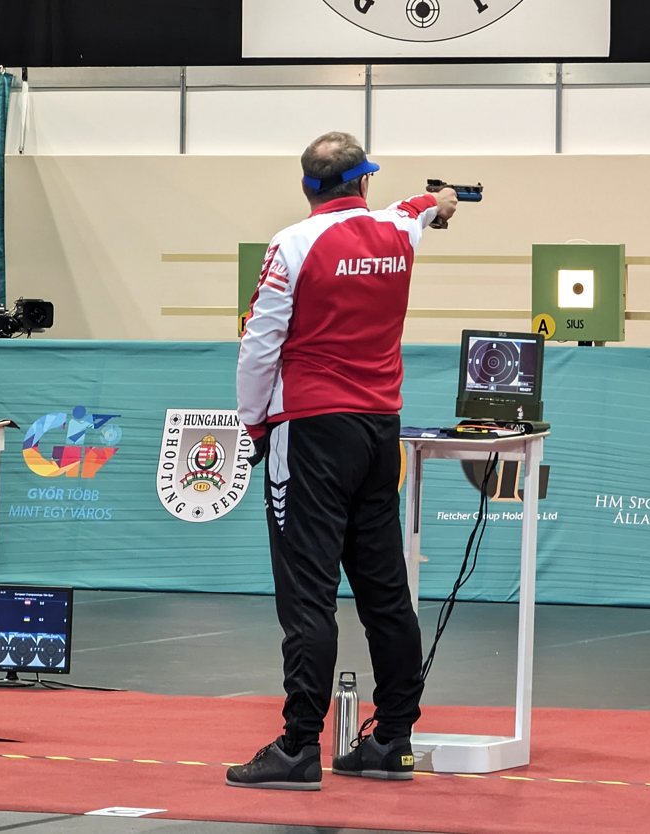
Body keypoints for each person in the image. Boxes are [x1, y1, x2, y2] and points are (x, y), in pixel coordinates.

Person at [225, 132, 460, 790]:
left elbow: (258, 346)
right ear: (364, 183)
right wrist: (442, 201)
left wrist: (253, 425)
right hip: (379, 431)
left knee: (308, 598)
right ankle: (392, 739)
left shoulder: (291, 245)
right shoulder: (396, 231)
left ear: (308, 188)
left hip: (309, 432)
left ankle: (300, 747)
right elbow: (421, 207)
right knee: (386, 594)